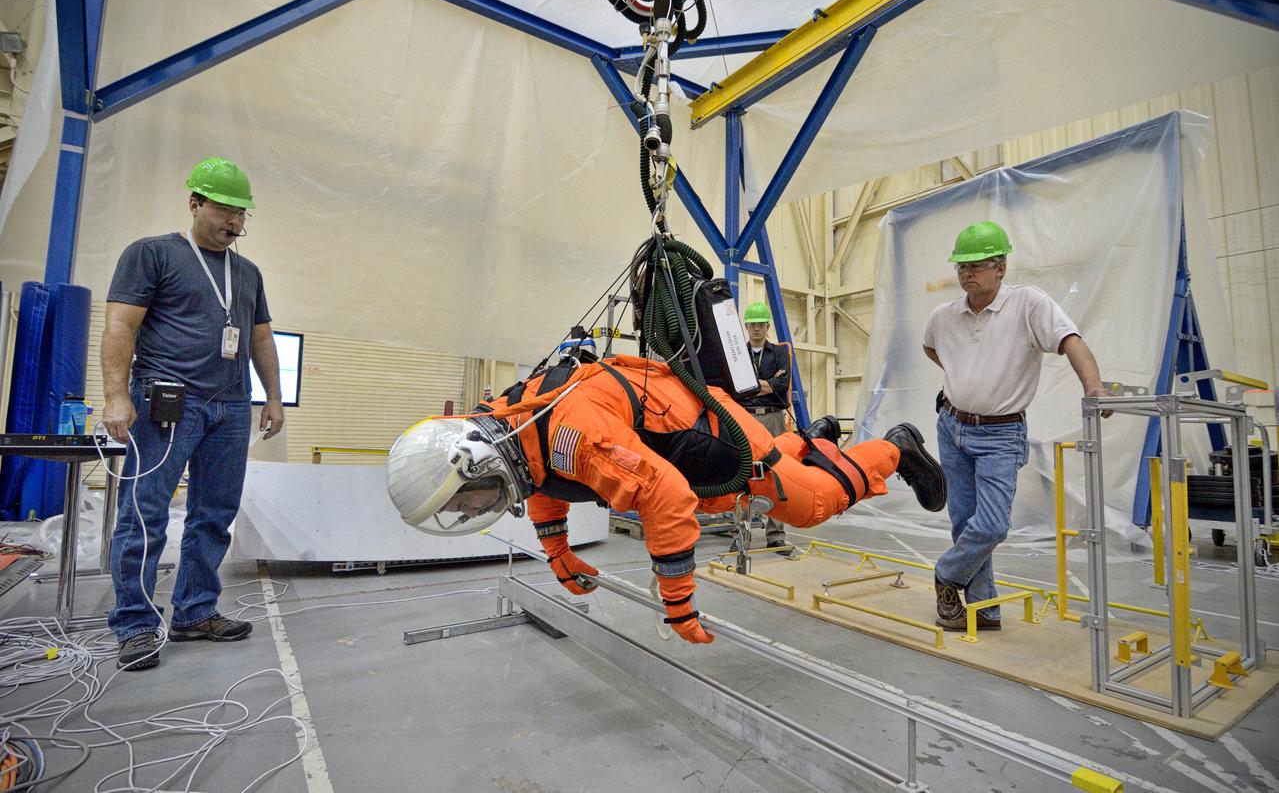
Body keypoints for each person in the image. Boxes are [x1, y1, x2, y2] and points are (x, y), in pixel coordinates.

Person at [387, 354, 946, 644]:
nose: (477, 507)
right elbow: (541, 478)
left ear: (478, 460)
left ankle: (894, 449)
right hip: (680, 433)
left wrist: (678, 602)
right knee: (737, 498)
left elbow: (665, 493)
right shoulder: (517, 423)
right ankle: (808, 440)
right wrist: (558, 553)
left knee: (811, 506)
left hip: (719, 434)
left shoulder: (576, 435)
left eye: (471, 498)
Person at [100, 157, 285, 671]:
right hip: (167, 398)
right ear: (195, 203)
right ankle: (135, 623)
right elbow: (120, 326)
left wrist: (271, 395)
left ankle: (195, 611)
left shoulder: (247, 272)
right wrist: (117, 395)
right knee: (146, 512)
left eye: (241, 214)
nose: (233, 222)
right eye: (224, 210)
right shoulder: (152, 254)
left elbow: (259, 336)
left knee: (214, 514)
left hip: (229, 406)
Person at [922, 220, 1107, 632]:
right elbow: (931, 346)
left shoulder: (1029, 305)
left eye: (977, 266)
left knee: (991, 525)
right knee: (963, 520)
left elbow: (1070, 340)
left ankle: (947, 575)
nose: (966, 274)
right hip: (951, 427)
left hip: (1001, 435)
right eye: (961, 267)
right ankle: (983, 610)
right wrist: (962, 379)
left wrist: (1093, 386)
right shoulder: (943, 315)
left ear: (1001, 267)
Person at [733, 301, 793, 553]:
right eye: (752, 324)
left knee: (777, 474)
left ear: (768, 325)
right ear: (746, 327)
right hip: (745, 418)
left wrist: (753, 386)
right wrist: (767, 383)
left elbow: (781, 386)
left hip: (773, 418)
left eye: (761, 324)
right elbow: (737, 388)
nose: (756, 328)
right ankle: (741, 535)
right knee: (743, 475)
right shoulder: (738, 353)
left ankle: (776, 535)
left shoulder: (780, 352)